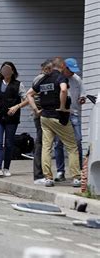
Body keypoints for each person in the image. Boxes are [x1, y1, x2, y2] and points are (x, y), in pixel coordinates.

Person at [26, 57, 81, 188]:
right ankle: (76, 177)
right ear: (61, 66)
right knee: (72, 146)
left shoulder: (43, 79)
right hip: (59, 116)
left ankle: (48, 178)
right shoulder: (60, 77)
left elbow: (29, 94)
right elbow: (63, 90)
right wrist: (62, 106)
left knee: (46, 146)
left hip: (44, 117)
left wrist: (36, 109)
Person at [0, 62, 29, 177]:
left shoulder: (18, 84)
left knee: (9, 143)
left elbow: (26, 99)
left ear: (12, 71)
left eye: (8, 69)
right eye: (4, 69)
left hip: (12, 118)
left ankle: (6, 168)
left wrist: (17, 106)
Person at [53, 57, 86, 182]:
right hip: (61, 115)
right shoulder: (57, 78)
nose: (72, 73)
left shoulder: (77, 79)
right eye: (70, 70)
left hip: (74, 113)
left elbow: (83, 95)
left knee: (77, 140)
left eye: (73, 70)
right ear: (64, 67)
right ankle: (60, 171)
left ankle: (80, 170)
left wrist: (82, 99)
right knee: (58, 143)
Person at [28, 60, 53, 185]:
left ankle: (45, 173)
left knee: (45, 144)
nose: (50, 71)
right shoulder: (41, 79)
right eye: (48, 68)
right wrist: (37, 110)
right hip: (42, 115)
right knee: (41, 143)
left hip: (47, 115)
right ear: (43, 69)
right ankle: (39, 175)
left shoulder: (47, 79)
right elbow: (33, 96)